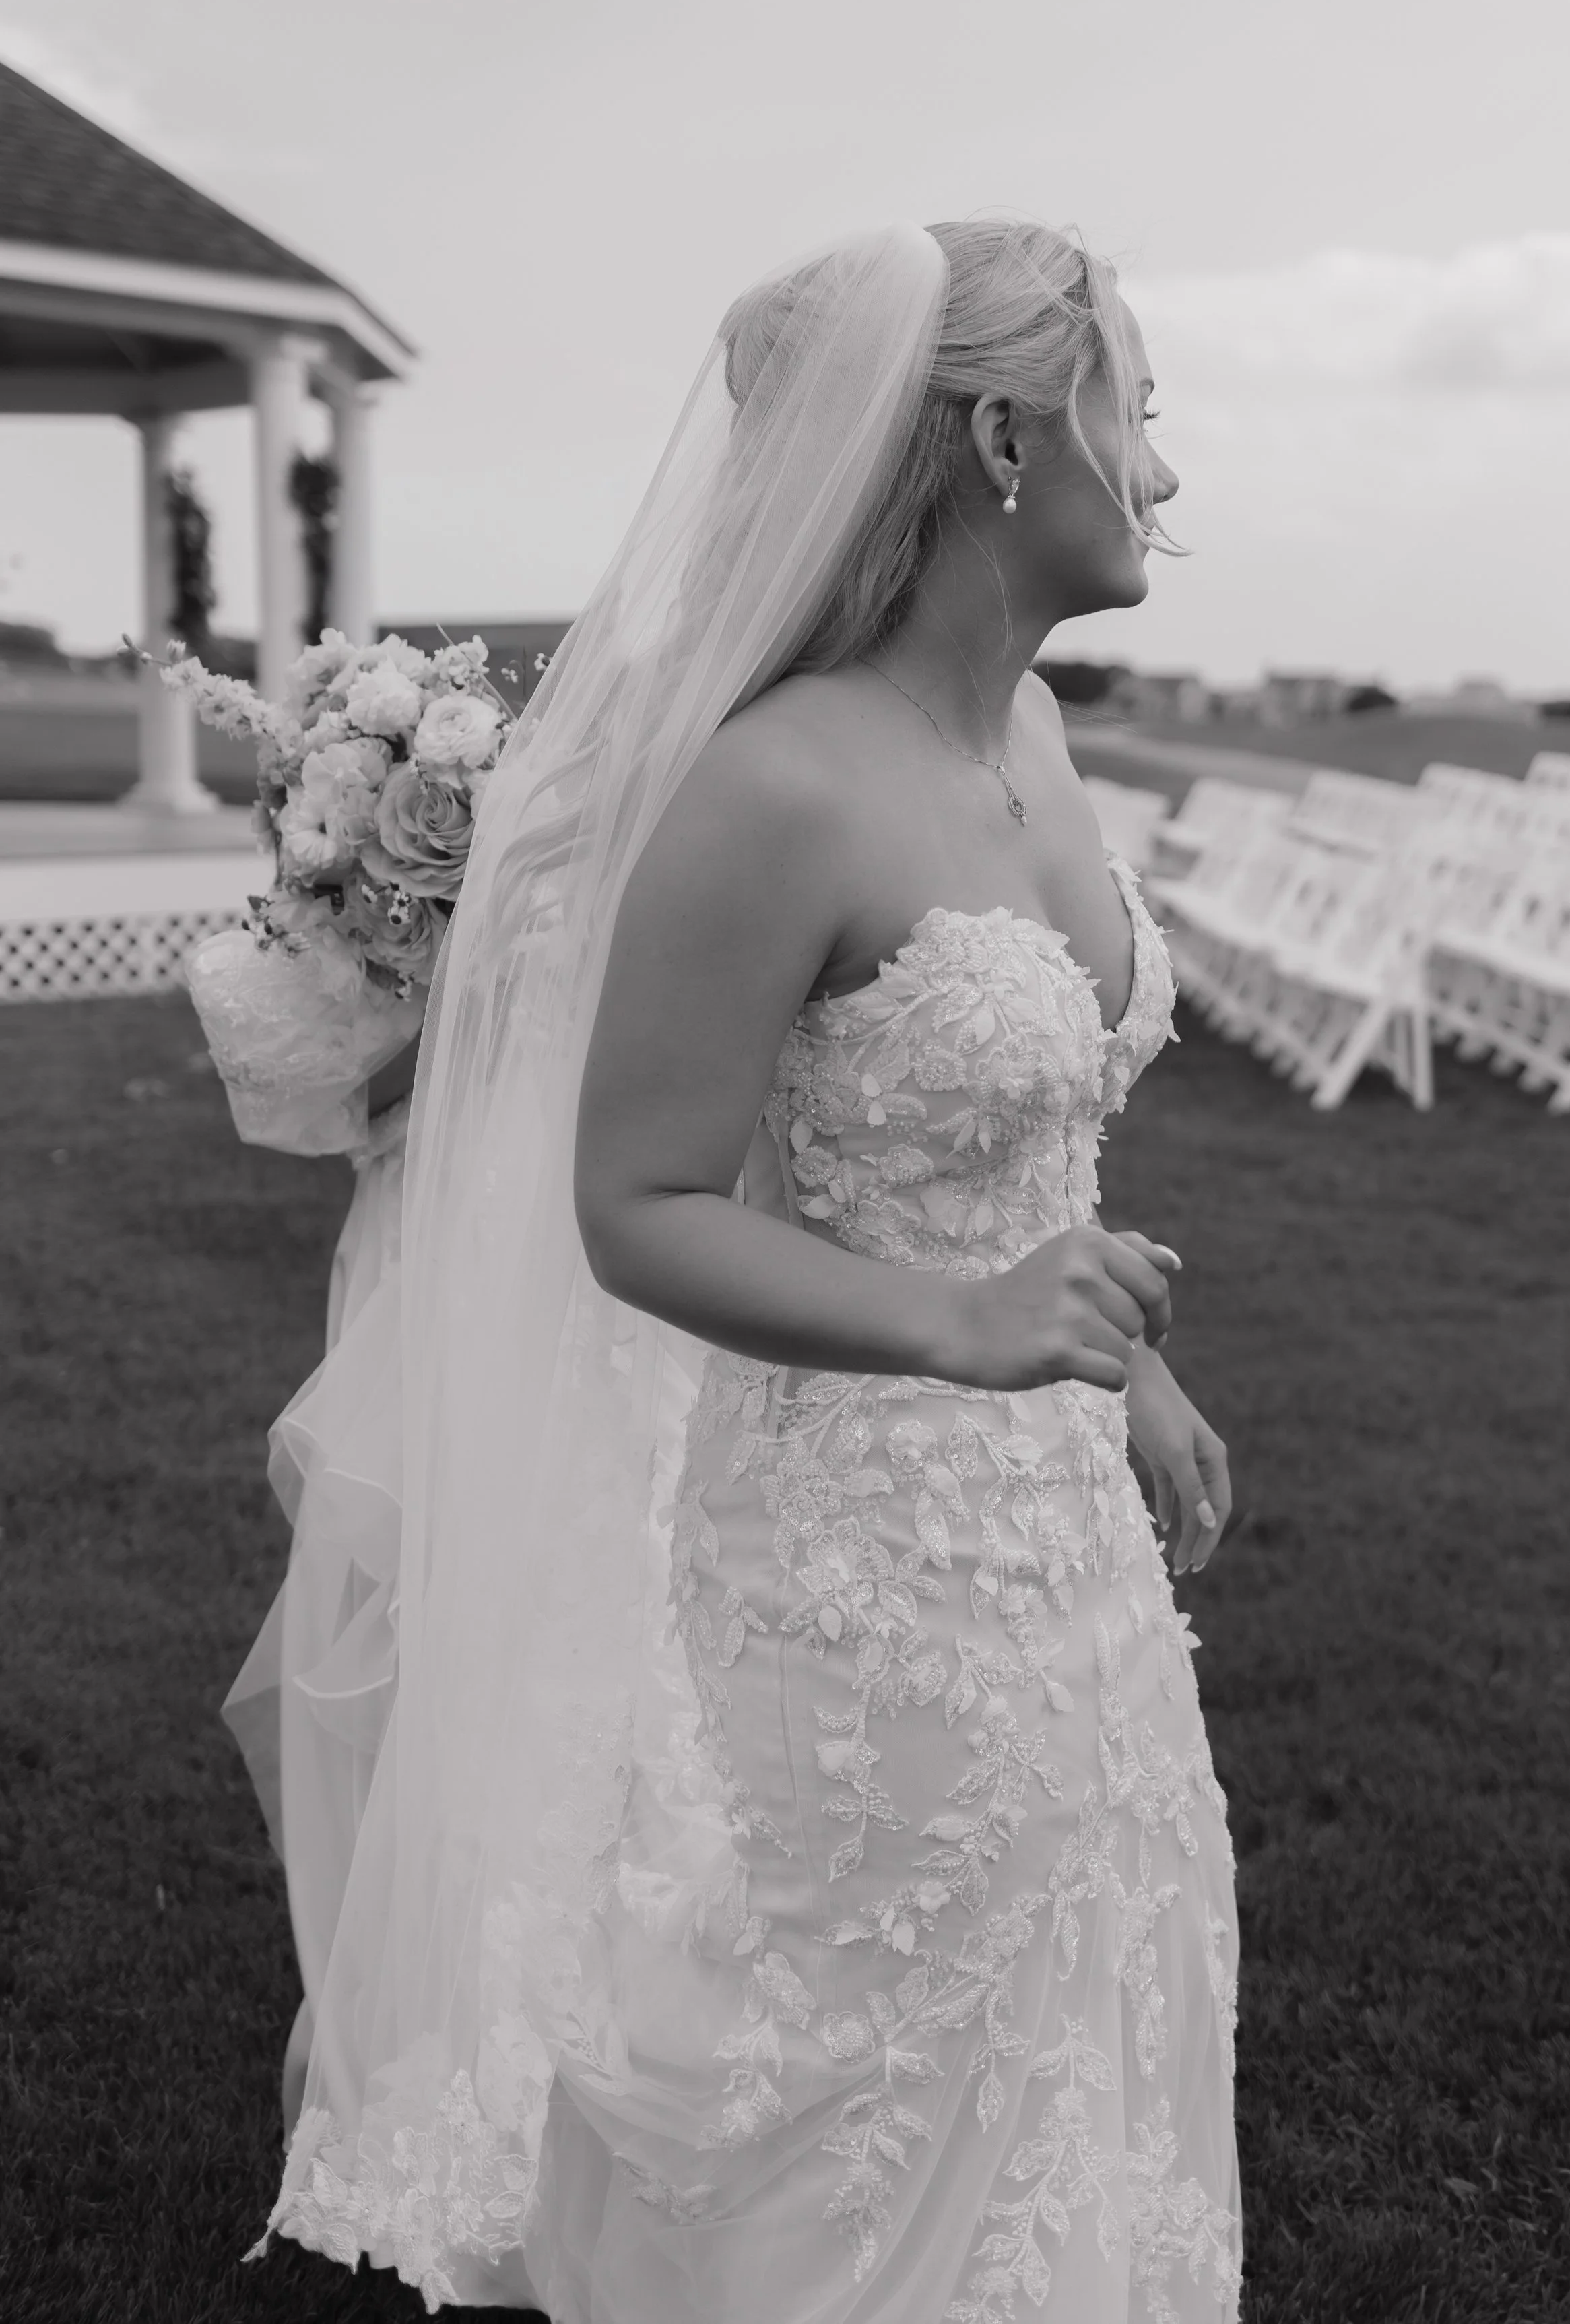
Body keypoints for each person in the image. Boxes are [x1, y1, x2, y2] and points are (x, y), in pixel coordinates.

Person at [242, 219, 1241, 2322]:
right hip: (848, 1582)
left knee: (1077, 2038)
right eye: (1127, 409)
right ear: (993, 433)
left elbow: (1020, 1140)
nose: (1159, 470)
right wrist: (969, 1325)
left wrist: (1111, 1362)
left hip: (1069, 1575)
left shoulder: (1041, 742)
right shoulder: (776, 785)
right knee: (857, 2084)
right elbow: (644, 1199)